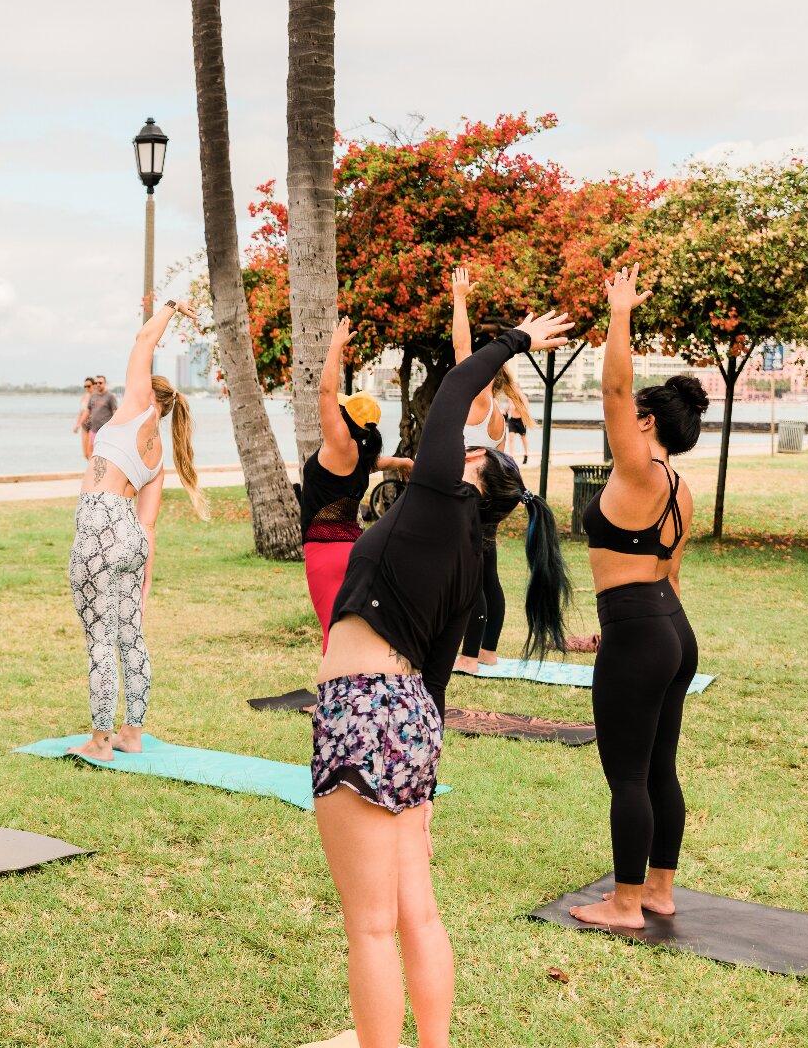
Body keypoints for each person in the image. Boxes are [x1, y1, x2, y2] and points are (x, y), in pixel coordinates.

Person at [315, 309, 574, 1048]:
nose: (457, 445)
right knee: (415, 914)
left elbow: (458, 387)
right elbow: (435, 680)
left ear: (469, 477)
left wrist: (517, 341)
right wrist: (423, 792)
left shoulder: (438, 498)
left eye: (466, 450)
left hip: (361, 709)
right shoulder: (468, 552)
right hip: (410, 720)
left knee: (370, 926)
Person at [568, 265, 707, 931]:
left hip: (642, 632)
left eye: (632, 417)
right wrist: (627, 631)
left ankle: (624, 904)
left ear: (646, 422)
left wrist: (619, 312)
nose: (620, 421)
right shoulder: (678, 488)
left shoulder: (638, 468)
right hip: (668, 628)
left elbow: (615, 388)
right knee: (659, 769)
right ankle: (658, 890)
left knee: (627, 774)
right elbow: (667, 575)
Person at [68, 299, 208, 762]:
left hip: (99, 524)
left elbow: (145, 338)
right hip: (130, 536)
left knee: (99, 638)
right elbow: (148, 523)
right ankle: (132, 733)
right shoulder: (158, 454)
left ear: (147, 392)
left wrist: (171, 308)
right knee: (130, 636)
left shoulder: (133, 406)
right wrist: (145, 578)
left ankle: (100, 741)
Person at [302, 315, 411, 651]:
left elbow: (325, 391)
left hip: (325, 552)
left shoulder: (339, 444)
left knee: (332, 633)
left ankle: (334, 685)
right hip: (355, 549)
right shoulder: (360, 454)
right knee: (351, 631)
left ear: (346, 419)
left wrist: (335, 346)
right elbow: (377, 463)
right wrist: (403, 462)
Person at [449, 268, 513, 676]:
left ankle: (469, 657)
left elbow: (461, 348)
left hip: (471, 503)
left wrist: (459, 299)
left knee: (473, 581)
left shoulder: (479, 402)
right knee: (489, 576)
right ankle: (488, 652)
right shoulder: (498, 415)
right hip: (488, 503)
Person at [72, 376, 119, 461]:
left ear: (105, 383)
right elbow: (85, 411)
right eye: (85, 386)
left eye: (88, 386)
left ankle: (97, 467)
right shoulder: (91, 396)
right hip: (91, 428)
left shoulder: (110, 396)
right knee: (88, 453)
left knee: (101, 453)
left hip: (102, 429)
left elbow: (115, 412)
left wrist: (116, 428)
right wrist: (78, 424)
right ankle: (92, 467)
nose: (87, 388)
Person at [496, 367, 532, 464]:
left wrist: (517, 408)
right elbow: (509, 407)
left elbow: (526, 408)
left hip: (521, 420)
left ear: (518, 388)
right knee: (511, 438)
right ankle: (512, 456)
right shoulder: (510, 397)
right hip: (512, 420)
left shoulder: (522, 397)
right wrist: (504, 411)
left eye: (515, 387)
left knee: (523, 438)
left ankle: (526, 454)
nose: (513, 389)